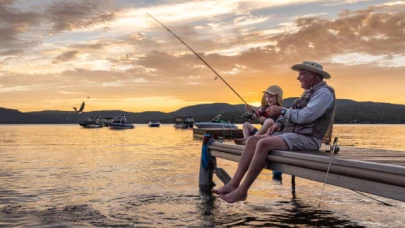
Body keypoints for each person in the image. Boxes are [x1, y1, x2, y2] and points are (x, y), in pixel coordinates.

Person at [213, 61, 336, 203]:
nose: (298, 78)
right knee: (252, 140)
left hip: (309, 139)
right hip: (295, 135)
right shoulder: (310, 93)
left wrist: (282, 111)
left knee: (264, 143)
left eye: (301, 74)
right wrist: (278, 124)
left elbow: (305, 116)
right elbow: (292, 115)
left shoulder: (324, 93)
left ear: (312, 76)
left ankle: (242, 191)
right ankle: (233, 184)